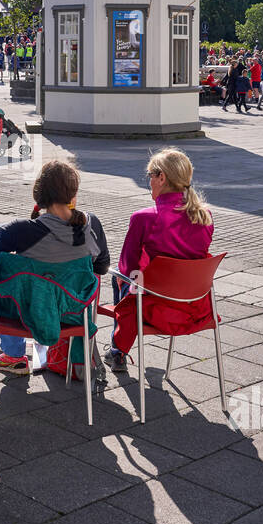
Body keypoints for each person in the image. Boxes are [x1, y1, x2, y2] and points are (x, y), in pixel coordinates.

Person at [0, 160, 110, 379]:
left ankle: (14, 356)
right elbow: (101, 267)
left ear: (39, 194)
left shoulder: (21, 231)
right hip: (72, 312)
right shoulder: (93, 224)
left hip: (26, 312)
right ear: (73, 193)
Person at [106, 149, 214, 375]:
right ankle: (117, 351)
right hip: (194, 307)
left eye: (150, 176)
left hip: (154, 308)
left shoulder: (144, 217)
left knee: (118, 272)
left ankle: (118, 352)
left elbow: (128, 266)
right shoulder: (205, 216)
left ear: (162, 177)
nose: (150, 182)